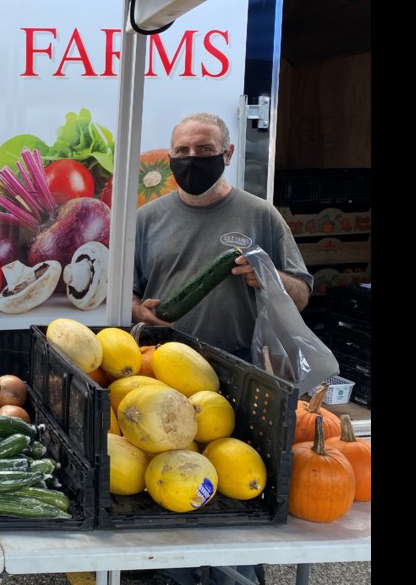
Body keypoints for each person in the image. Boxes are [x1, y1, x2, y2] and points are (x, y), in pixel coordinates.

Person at [130, 112, 313, 585]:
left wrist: (271, 279)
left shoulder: (260, 215)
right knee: (175, 476)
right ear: (170, 157)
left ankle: (238, 575)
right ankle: (174, 575)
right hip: (161, 372)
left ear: (227, 154)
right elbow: (124, 295)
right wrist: (140, 312)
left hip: (243, 374)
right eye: (184, 152)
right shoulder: (146, 219)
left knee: (239, 487)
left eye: (205, 150)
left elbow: (303, 292)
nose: (193, 160)